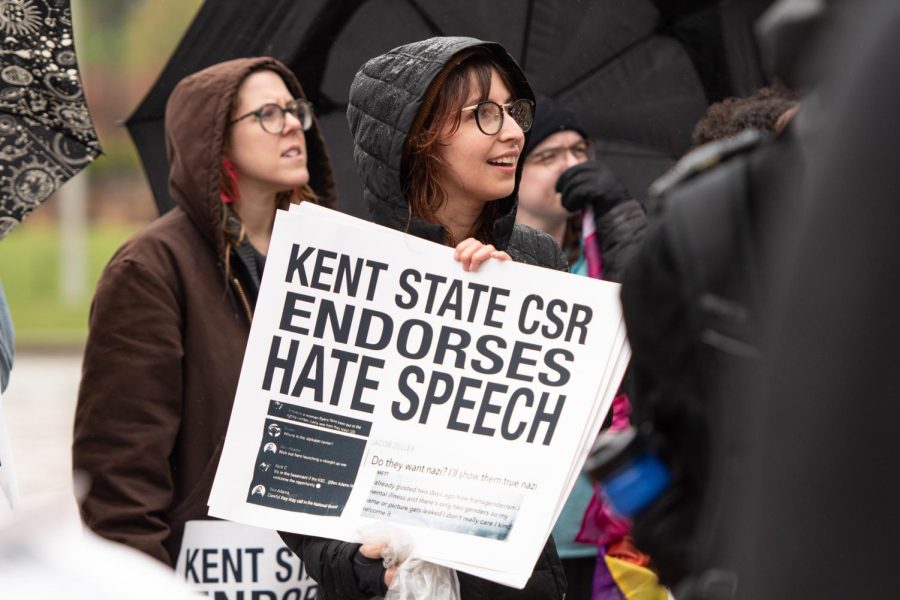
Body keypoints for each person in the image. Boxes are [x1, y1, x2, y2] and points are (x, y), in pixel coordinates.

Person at [279, 37, 567, 599]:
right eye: (484, 113)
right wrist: (357, 565)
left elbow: (587, 430)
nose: (513, 131)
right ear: (418, 136)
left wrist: (515, 313)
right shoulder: (344, 273)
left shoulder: (535, 259)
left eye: (514, 111)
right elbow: (294, 466)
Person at [72, 57, 337, 565]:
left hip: (320, 568)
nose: (291, 125)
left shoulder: (327, 258)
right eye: (266, 114)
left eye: (294, 109)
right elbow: (120, 477)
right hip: (206, 569)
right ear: (212, 138)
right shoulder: (151, 268)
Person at [515, 97, 660, 600]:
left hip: (613, 532)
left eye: (580, 149)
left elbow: (661, 333)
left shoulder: (609, 258)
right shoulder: (487, 266)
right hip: (530, 537)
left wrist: (625, 223)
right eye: (548, 156)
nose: (572, 164)